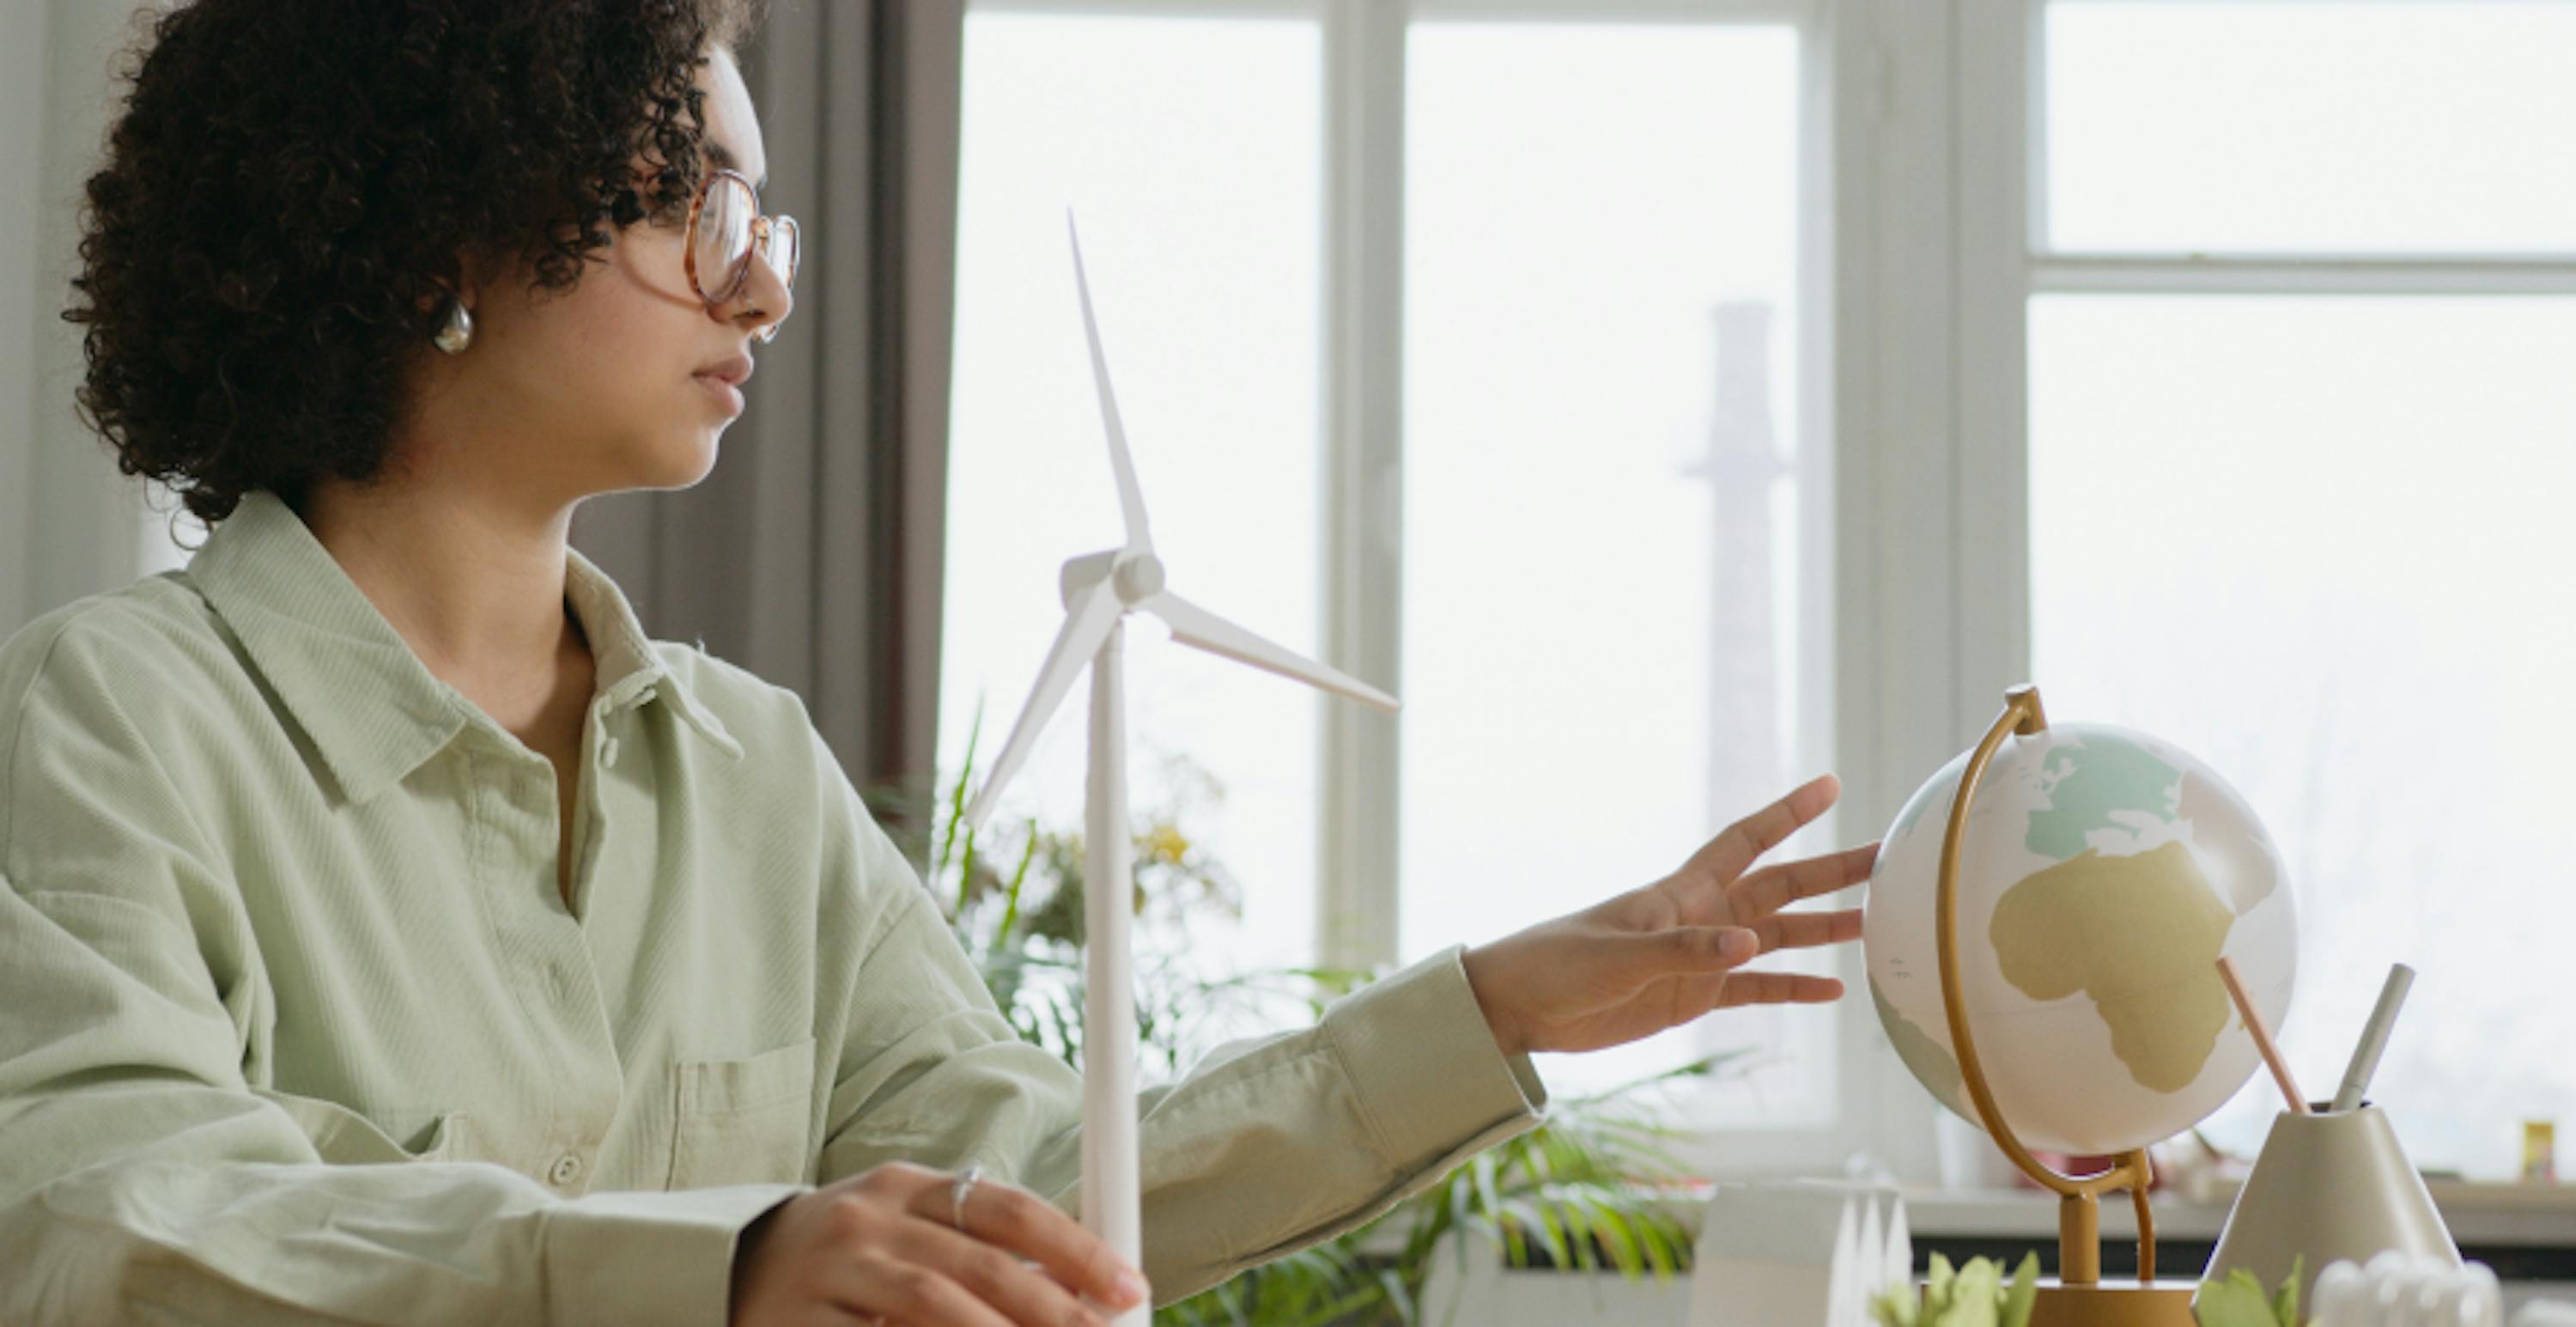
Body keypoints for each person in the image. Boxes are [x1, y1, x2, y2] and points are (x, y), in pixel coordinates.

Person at [0, 3, 1877, 1324]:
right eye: (696, 206)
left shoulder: (750, 769)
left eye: (772, 221)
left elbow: (1035, 1179)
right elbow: (112, 1222)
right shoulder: (113, 726)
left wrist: (1489, 1007)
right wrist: (718, 1266)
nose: (766, 286)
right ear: (439, 232)